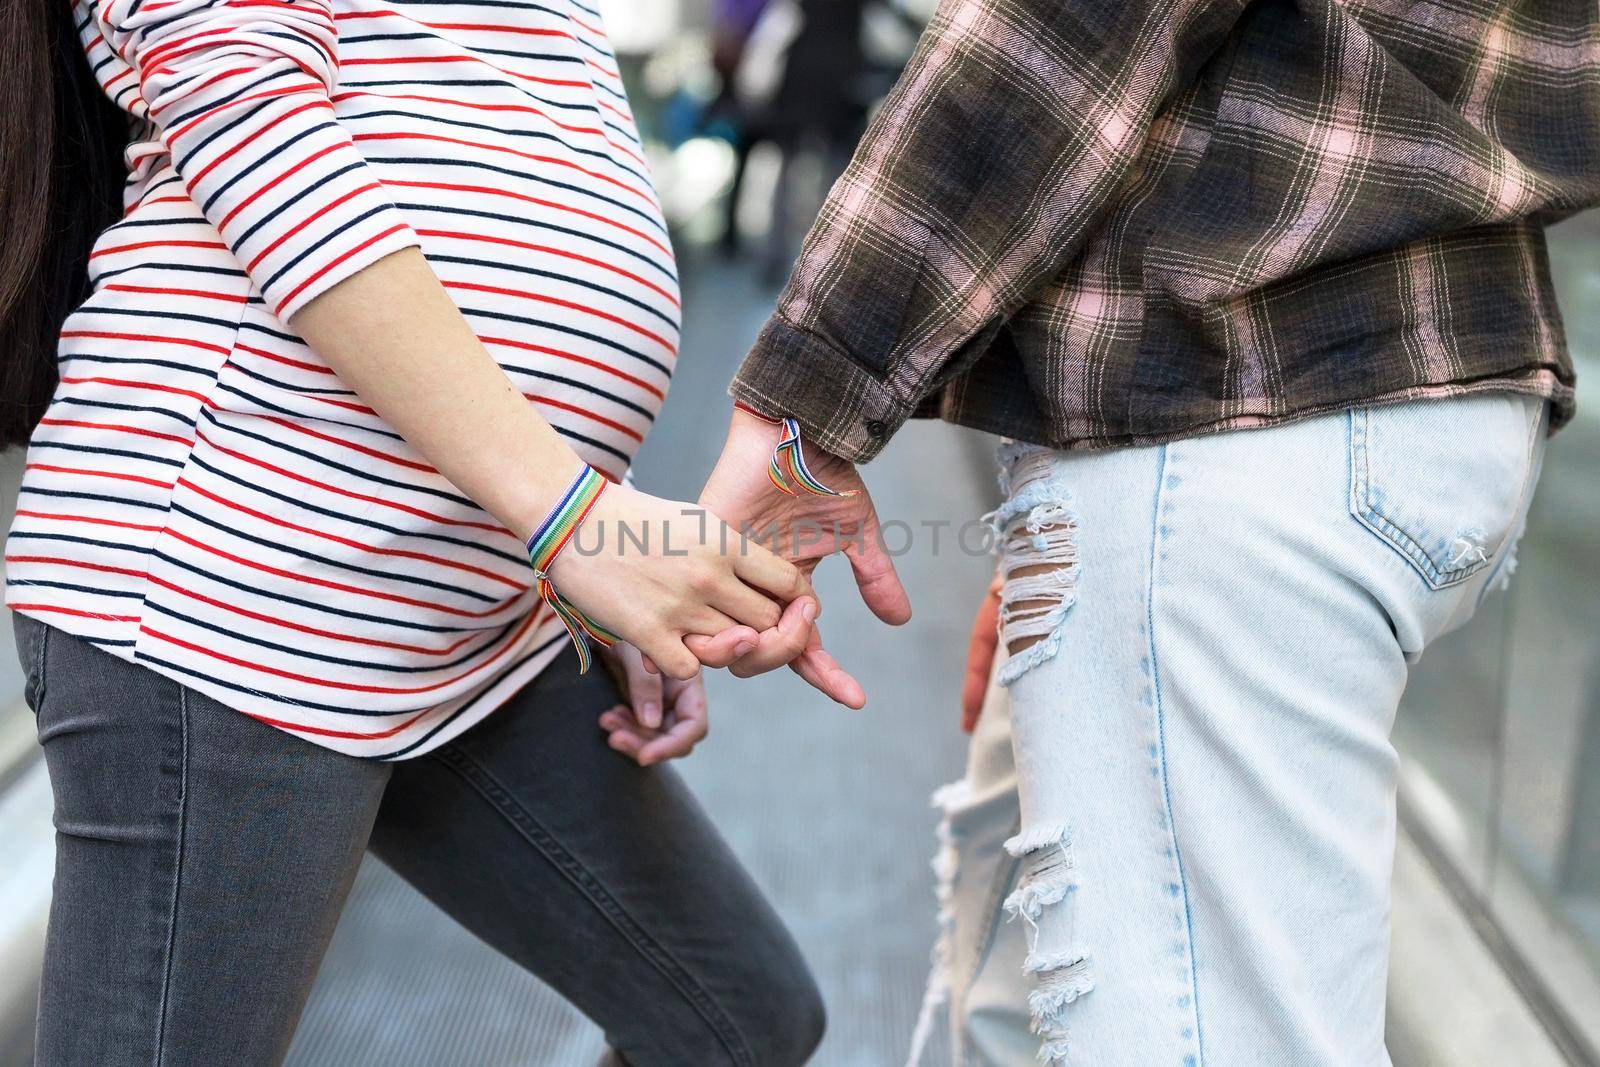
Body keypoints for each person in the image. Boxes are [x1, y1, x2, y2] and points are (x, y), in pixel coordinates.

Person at [701, 0, 1599, 1061]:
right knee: (1012, 990)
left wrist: (806, 402)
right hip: (1383, 390)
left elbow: (1054, 32)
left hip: (1239, 379)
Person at [0, 0, 845, 1063]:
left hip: (475, 599)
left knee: (734, 1019)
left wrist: (580, 553)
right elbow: (249, 117)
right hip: (251, 571)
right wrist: (570, 518)